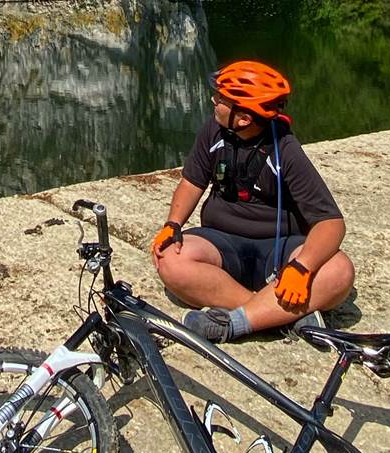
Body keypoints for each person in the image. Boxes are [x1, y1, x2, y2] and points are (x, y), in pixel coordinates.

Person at [152, 60, 354, 343]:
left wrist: (301, 268)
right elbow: (192, 182)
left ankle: (235, 323)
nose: (214, 101)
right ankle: (275, 316)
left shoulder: (285, 150)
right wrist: (172, 225)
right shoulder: (214, 131)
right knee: (170, 260)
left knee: (339, 272)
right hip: (221, 243)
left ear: (244, 118)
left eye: (221, 99)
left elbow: (330, 223)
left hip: (280, 250)